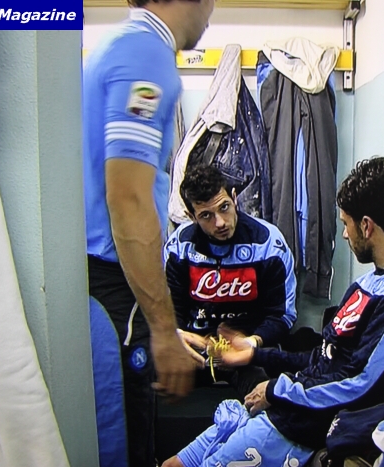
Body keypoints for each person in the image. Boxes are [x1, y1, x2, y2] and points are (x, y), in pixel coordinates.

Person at [161, 156, 384, 467]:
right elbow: (323, 357)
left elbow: (359, 384)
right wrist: (254, 354)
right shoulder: (370, 282)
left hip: (301, 426)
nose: (345, 235)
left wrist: (276, 389)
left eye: (345, 224)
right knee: (173, 463)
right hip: (290, 404)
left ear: (366, 226)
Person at [82, 1, 215, 465]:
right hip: (111, 290)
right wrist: (160, 329)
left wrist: (162, 327)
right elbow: (128, 199)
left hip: (111, 292)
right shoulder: (145, 55)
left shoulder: (120, 46)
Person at [164, 164, 297, 391]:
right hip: (196, 348)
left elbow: (281, 316)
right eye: (206, 216)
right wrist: (178, 336)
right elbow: (171, 311)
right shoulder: (179, 248)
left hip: (248, 350)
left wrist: (251, 343)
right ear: (192, 217)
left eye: (224, 207)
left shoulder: (268, 244)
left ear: (234, 198)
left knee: (267, 391)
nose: (220, 223)